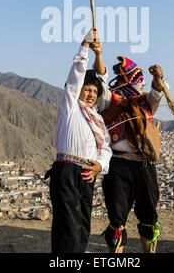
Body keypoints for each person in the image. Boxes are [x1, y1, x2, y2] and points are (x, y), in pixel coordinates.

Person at [91, 39, 166, 253]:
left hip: (144, 166)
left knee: (149, 215)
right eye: (137, 80)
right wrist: (99, 55)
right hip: (118, 166)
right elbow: (101, 79)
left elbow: (157, 92)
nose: (139, 85)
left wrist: (157, 77)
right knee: (117, 218)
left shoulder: (146, 103)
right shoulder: (110, 101)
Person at [49, 28, 112, 254]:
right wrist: (85, 46)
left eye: (95, 91)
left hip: (87, 174)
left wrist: (99, 166)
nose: (92, 94)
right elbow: (76, 75)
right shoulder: (70, 106)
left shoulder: (97, 118)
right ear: (78, 91)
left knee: (83, 224)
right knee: (68, 225)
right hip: (66, 171)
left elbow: (105, 148)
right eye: (87, 89)